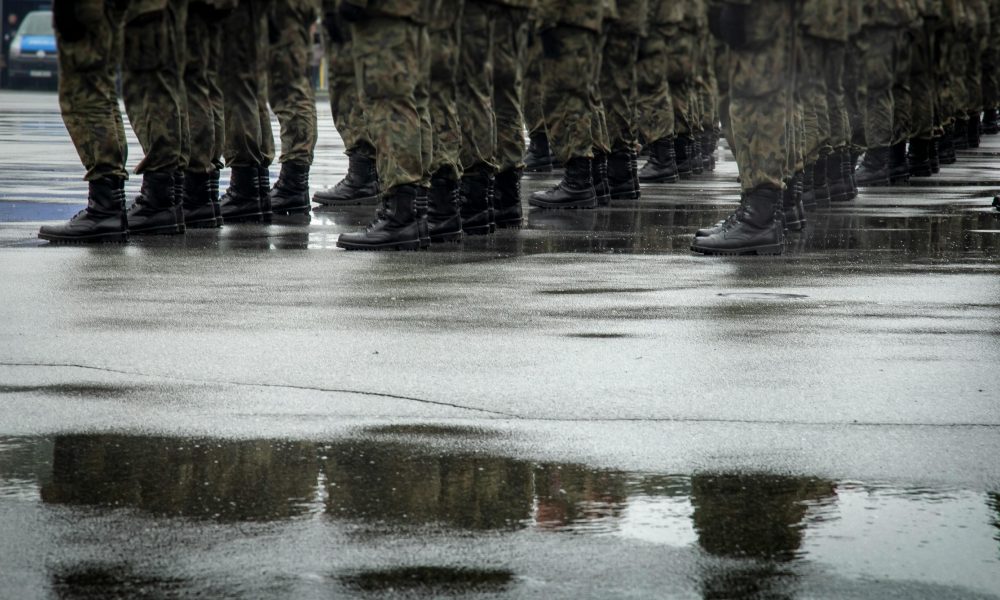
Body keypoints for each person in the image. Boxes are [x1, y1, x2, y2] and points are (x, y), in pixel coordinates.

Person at [690, 0, 793, 255]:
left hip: (760, 13)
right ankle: (757, 211)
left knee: (756, 100)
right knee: (748, 100)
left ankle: (759, 219)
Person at [334, 0, 434, 250]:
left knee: (389, 103)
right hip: (409, 12)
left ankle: (400, 216)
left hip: (384, 12)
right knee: (411, 104)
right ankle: (414, 211)